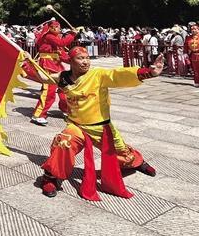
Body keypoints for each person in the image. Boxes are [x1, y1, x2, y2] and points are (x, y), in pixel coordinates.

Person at [39, 47, 160, 199]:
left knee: (123, 153)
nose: (85, 62)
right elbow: (43, 77)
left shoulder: (98, 75)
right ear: (70, 61)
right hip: (76, 126)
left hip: (101, 127)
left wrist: (148, 73)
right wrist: (23, 62)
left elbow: (117, 75)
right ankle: (50, 178)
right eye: (80, 58)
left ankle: (138, 162)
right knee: (64, 142)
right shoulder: (62, 77)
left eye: (87, 58)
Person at [28, 20, 76, 126]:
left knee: (65, 89)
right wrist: (72, 35)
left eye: (58, 27)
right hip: (47, 66)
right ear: (51, 28)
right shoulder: (48, 36)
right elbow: (61, 43)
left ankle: (65, 109)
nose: (58, 29)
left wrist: (73, 60)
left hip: (57, 66)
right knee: (49, 91)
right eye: (56, 27)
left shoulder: (55, 38)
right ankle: (38, 115)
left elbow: (61, 53)